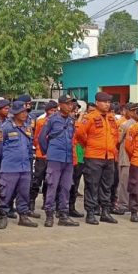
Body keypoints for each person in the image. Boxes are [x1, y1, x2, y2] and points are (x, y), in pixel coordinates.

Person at [77, 92, 119, 225]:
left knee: (107, 185)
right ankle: (90, 212)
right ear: (97, 103)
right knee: (92, 185)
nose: (107, 104)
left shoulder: (111, 118)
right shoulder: (89, 118)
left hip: (109, 157)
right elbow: (80, 134)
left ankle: (105, 212)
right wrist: (90, 146)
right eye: (104, 102)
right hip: (94, 156)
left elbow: (115, 136)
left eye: (108, 102)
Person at [38, 95, 79, 227]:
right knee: (52, 186)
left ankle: (63, 215)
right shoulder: (51, 119)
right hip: (55, 158)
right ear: (60, 105)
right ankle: (49, 215)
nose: (70, 106)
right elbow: (41, 138)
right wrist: (47, 152)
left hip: (68, 159)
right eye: (67, 104)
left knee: (66, 187)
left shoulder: (72, 120)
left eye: (71, 104)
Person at [0, 101, 37, 228]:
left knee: (24, 192)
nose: (25, 114)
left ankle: (23, 216)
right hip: (9, 167)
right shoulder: (5, 127)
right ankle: (3, 215)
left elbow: (29, 145)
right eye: (22, 112)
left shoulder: (27, 127)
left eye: (26, 111)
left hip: (25, 166)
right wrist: (8, 158)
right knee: (6, 193)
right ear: (15, 113)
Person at [29, 100, 57, 217]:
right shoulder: (41, 121)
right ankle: (31, 203)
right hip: (42, 155)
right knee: (37, 179)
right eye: (51, 110)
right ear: (47, 111)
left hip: (53, 155)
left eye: (55, 110)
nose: (54, 112)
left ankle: (47, 202)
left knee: (49, 181)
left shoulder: (58, 122)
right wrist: (41, 149)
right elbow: (36, 138)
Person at [113, 102, 137, 214]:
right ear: (126, 111)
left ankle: (134, 204)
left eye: (136, 110)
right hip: (125, 158)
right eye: (132, 110)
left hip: (137, 159)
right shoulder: (124, 125)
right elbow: (117, 141)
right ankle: (123, 204)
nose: (134, 112)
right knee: (124, 182)